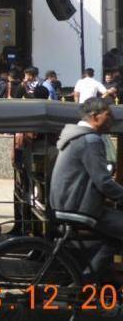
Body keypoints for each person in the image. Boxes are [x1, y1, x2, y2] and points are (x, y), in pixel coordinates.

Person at [49, 97, 123, 279]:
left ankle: (90, 280)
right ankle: (87, 281)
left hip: (66, 203)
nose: (111, 120)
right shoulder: (90, 140)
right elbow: (103, 181)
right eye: (109, 115)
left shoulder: (76, 136)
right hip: (78, 207)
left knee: (114, 237)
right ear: (95, 116)